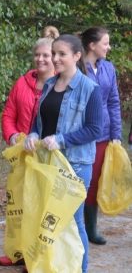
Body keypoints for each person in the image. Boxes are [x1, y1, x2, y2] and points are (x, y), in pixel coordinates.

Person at [24, 34, 103, 273]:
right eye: (54, 53)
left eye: (62, 54)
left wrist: (62, 140)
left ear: (77, 56)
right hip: (47, 163)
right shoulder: (49, 84)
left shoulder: (90, 89)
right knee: (48, 219)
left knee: (71, 221)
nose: (55, 59)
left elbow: (94, 129)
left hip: (75, 166)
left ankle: (80, 269)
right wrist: (33, 134)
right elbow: (40, 121)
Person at [0, 26, 59, 266]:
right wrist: (12, 135)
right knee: (19, 204)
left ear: (54, 57)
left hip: (48, 156)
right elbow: (8, 115)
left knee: (43, 207)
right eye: (38, 55)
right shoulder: (22, 83)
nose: (41, 59)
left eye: (46, 55)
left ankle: (38, 256)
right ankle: (17, 251)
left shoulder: (61, 84)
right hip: (23, 156)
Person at [81, 27, 122, 245]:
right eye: (105, 43)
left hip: (104, 134)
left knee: (95, 182)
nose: (109, 47)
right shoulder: (78, 67)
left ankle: (90, 229)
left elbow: (114, 101)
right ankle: (74, 228)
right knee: (81, 181)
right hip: (81, 133)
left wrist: (116, 133)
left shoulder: (108, 68)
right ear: (92, 45)